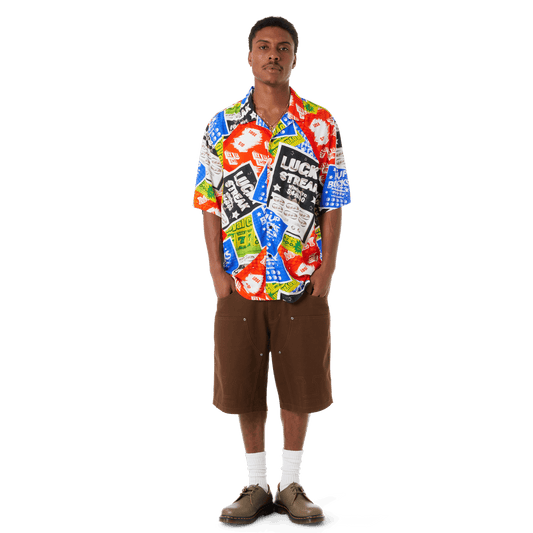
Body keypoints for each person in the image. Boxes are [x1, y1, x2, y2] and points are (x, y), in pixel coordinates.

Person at [191, 14, 352, 525]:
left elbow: (333, 200)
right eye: (263, 46)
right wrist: (217, 273)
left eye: (283, 47)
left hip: (302, 282)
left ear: (294, 57)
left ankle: (291, 485)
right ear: (249, 56)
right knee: (243, 384)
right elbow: (209, 201)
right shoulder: (221, 125)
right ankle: (256, 485)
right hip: (240, 282)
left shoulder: (320, 123)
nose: (273, 55)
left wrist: (325, 274)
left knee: (300, 382)